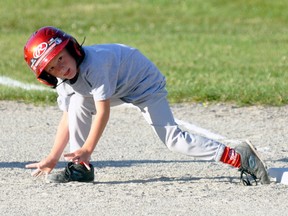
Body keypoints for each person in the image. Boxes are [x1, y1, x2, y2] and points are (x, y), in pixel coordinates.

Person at [24, 26, 270, 185]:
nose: (61, 68)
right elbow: (68, 117)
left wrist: (88, 147)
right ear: (46, 74)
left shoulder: (95, 66)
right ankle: (80, 168)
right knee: (76, 103)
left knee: (173, 139)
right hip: (119, 85)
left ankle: (240, 156)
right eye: (52, 67)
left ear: (72, 48)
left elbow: (102, 112)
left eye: (61, 58)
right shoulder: (64, 81)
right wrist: (53, 157)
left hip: (142, 83)